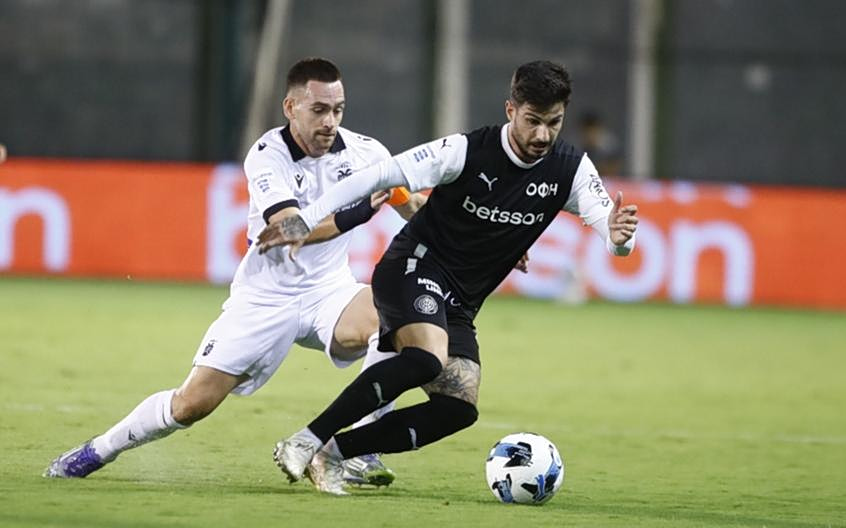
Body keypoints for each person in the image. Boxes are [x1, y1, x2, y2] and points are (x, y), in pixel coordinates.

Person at [258, 60, 639, 495]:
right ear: (510, 110)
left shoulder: (570, 169)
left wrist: (619, 238)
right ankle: (305, 440)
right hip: (413, 267)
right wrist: (306, 219)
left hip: (460, 302)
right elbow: (379, 175)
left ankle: (334, 453)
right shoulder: (464, 151)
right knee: (427, 358)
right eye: (532, 120)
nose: (542, 135)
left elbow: (612, 235)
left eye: (553, 123)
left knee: (458, 408)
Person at [44, 58, 424, 487]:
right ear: (290, 107)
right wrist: (358, 213)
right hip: (265, 298)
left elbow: (410, 204)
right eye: (319, 110)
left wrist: (472, 229)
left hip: (329, 291)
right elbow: (289, 230)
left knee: (396, 318)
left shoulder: (367, 154)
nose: (330, 122)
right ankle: (97, 450)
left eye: (338, 110)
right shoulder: (267, 156)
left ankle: (359, 450)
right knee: (192, 404)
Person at [577, 111, 623, 176]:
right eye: (587, 130)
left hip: (605, 179)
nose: (590, 134)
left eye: (593, 129)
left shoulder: (608, 143)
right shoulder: (576, 144)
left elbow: (614, 167)